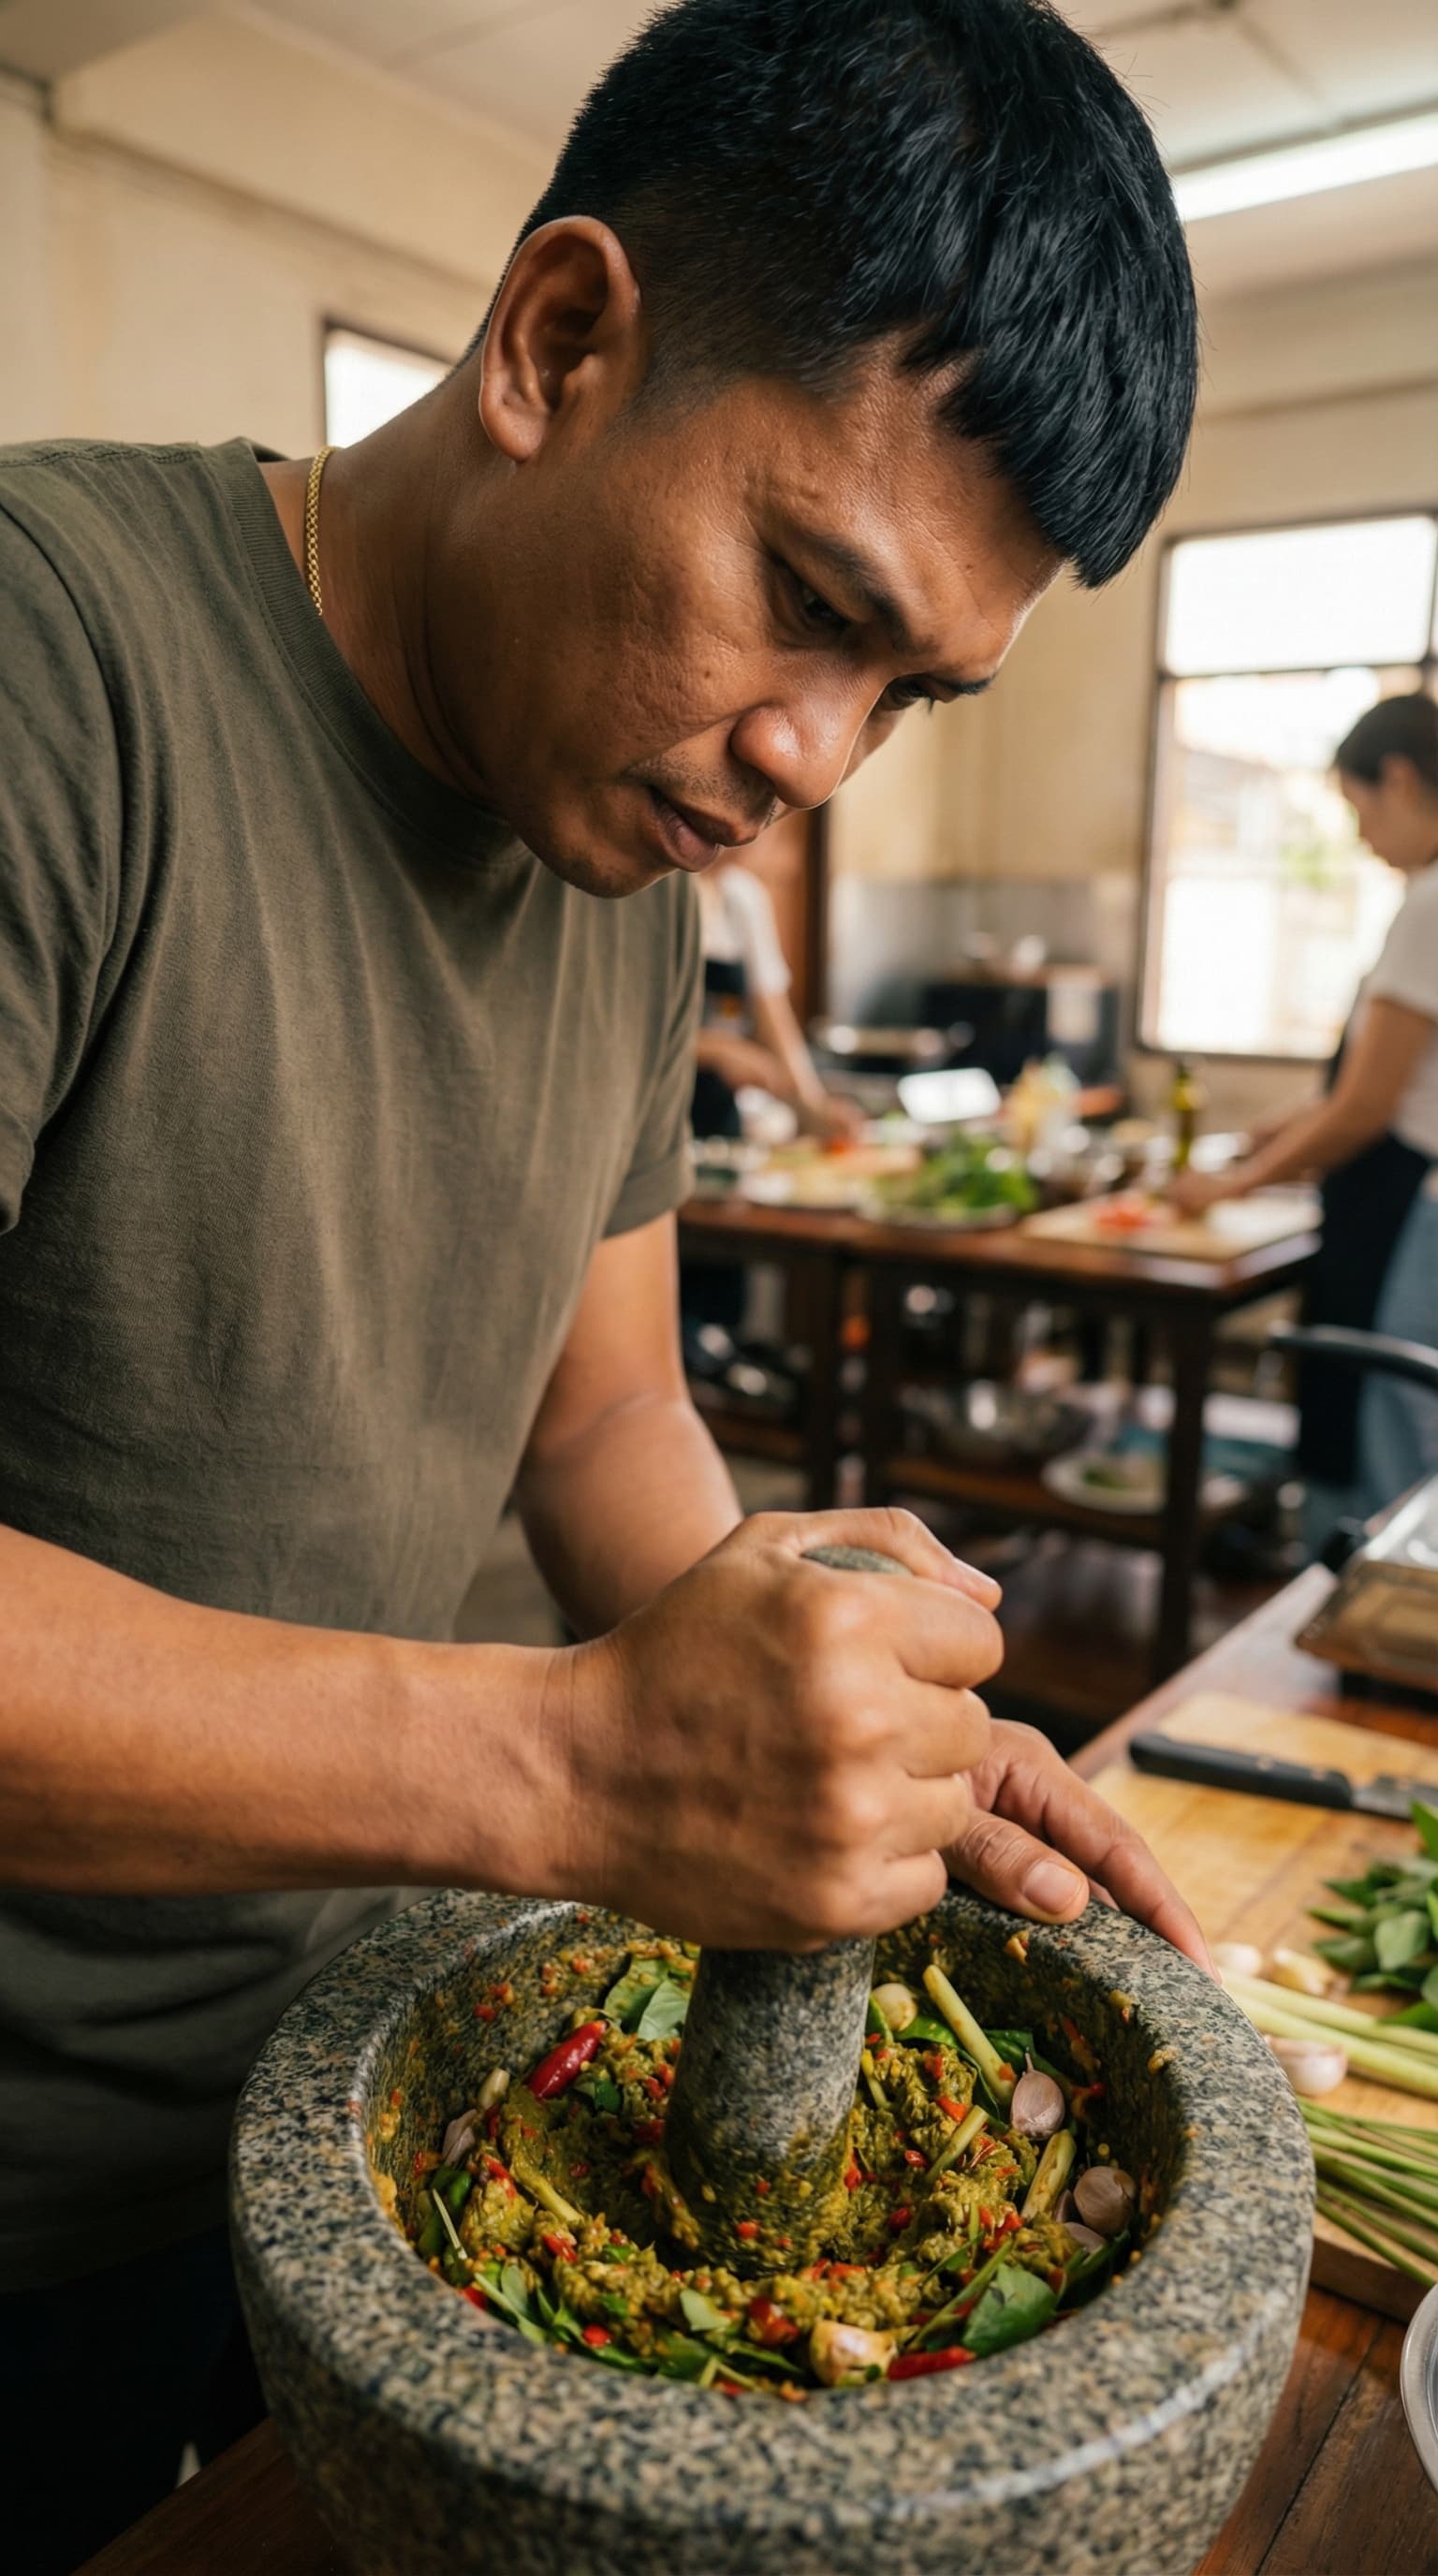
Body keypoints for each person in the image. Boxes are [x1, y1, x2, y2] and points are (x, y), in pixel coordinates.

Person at [0, 3, 1202, 2564]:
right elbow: (549, 1738)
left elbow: (598, 1428)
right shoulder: (51, 669)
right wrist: (574, 1768)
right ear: (563, 341)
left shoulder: (623, 842)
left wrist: (842, 1716)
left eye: (911, 694)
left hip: (379, 2139)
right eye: (806, 600)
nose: (810, 767)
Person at [1173, 694, 1438, 1546]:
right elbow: (1388, 1078)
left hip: (1408, 1209)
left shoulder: (1431, 903)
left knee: (1379, 1428)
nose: (1362, 837)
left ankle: (1352, 1627)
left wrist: (1234, 1183)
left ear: (1398, 780)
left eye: (1359, 809)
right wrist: (1273, 1134)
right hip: (1401, 1196)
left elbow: (1368, 1107)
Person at [693, 852, 863, 1145]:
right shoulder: (663, 895)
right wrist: (716, 1050)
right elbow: (632, 1036)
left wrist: (813, 1107)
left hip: (719, 1125)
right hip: (659, 1114)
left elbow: (776, 1023)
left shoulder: (743, 897)